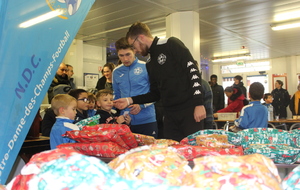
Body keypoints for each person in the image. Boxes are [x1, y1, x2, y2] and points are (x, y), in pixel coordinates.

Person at [113, 22, 206, 142]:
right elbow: (155, 94)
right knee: (172, 153)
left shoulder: (171, 44)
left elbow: (193, 71)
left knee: (194, 150)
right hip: (169, 115)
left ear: (141, 37)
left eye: (133, 46)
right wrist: (129, 100)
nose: (134, 50)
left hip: (190, 110)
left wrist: (199, 103)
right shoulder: (150, 63)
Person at [113, 37, 158, 138]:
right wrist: (114, 106)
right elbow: (117, 94)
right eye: (121, 55)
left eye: (128, 54)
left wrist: (141, 105)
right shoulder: (116, 72)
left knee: (149, 152)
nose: (125, 59)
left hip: (147, 121)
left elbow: (156, 93)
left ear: (134, 51)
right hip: (125, 122)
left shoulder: (147, 67)